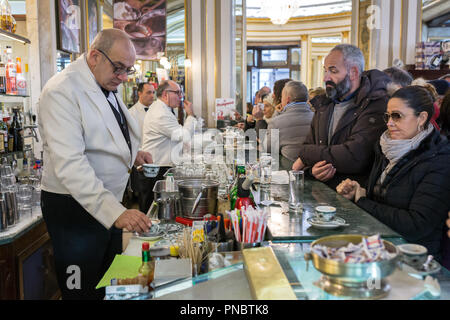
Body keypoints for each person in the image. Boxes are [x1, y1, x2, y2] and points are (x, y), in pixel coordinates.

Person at [38, 29, 153, 300]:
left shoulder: (104, 82)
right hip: (74, 209)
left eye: (128, 70)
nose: (123, 77)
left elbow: (104, 132)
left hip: (106, 205)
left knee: (106, 282)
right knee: (80, 288)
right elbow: (70, 164)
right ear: (94, 56)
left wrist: (131, 153)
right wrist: (116, 212)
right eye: (119, 68)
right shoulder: (61, 91)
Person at [336, 86, 450, 262]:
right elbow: (384, 197)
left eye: (397, 116)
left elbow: (417, 224)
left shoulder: (439, 158)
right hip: (380, 249)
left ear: (422, 118)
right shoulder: (387, 148)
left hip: (415, 260)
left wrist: (363, 202)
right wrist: (359, 191)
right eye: (387, 116)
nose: (389, 123)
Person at [292, 44, 389, 189]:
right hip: (323, 193)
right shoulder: (324, 104)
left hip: (354, 198)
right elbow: (309, 145)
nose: (325, 78)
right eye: (325, 70)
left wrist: (305, 155)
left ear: (354, 72)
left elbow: (354, 157)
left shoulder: (375, 104)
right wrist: (312, 171)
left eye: (333, 71)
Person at [140, 80, 197, 212]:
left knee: (159, 210)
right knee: (152, 211)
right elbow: (184, 135)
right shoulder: (160, 113)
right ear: (166, 94)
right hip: (155, 168)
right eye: (177, 93)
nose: (181, 96)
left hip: (160, 166)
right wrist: (190, 115)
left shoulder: (165, 109)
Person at [264, 81, 314, 170]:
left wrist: (276, 115)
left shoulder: (277, 122)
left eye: (282, 97)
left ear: (287, 99)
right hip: (315, 172)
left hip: (289, 172)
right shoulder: (317, 117)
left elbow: (267, 149)